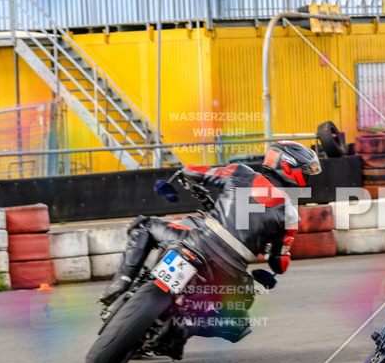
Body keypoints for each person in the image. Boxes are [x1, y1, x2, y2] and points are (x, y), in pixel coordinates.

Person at [97, 141, 319, 342]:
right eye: (306, 172)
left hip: (196, 244)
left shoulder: (242, 174)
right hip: (229, 274)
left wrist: (186, 179)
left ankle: (122, 282)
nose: (308, 178)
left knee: (145, 225)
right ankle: (185, 329)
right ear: (289, 166)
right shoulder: (290, 216)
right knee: (239, 321)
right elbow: (280, 263)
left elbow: (192, 170)